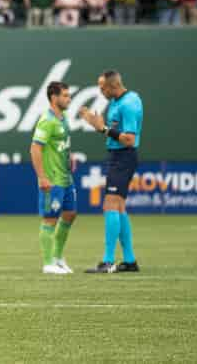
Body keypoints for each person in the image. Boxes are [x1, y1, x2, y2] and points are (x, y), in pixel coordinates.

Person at [79, 70, 143, 273]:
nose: (100, 91)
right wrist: (99, 126)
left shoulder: (129, 104)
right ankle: (130, 261)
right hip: (117, 156)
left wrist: (102, 129)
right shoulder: (117, 101)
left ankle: (108, 261)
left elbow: (129, 139)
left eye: (102, 87)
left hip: (124, 156)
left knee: (109, 205)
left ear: (113, 86)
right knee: (119, 207)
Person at [31, 82, 77, 275]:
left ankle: (58, 258)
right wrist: (42, 177)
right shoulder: (46, 121)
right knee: (50, 218)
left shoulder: (64, 118)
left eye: (69, 95)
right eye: (65, 95)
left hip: (66, 177)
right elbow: (35, 148)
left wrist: (70, 156)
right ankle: (48, 263)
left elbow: (62, 143)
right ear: (53, 97)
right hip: (53, 178)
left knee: (70, 214)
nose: (69, 99)